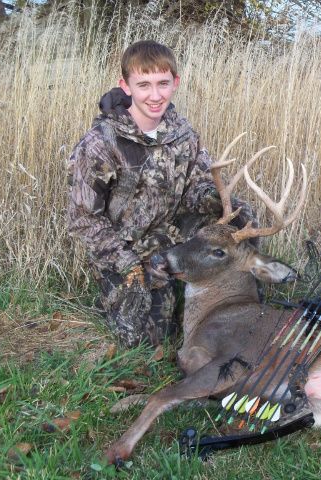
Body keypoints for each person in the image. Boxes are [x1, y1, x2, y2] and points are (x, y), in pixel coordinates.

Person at [67, 40, 255, 347]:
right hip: (125, 251)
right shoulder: (101, 143)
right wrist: (127, 264)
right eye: (144, 85)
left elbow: (197, 186)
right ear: (125, 85)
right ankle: (126, 295)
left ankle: (243, 304)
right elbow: (84, 219)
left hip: (174, 236)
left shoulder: (182, 133)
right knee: (149, 341)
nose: (155, 96)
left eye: (163, 84)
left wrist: (217, 200)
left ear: (175, 83)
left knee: (243, 217)